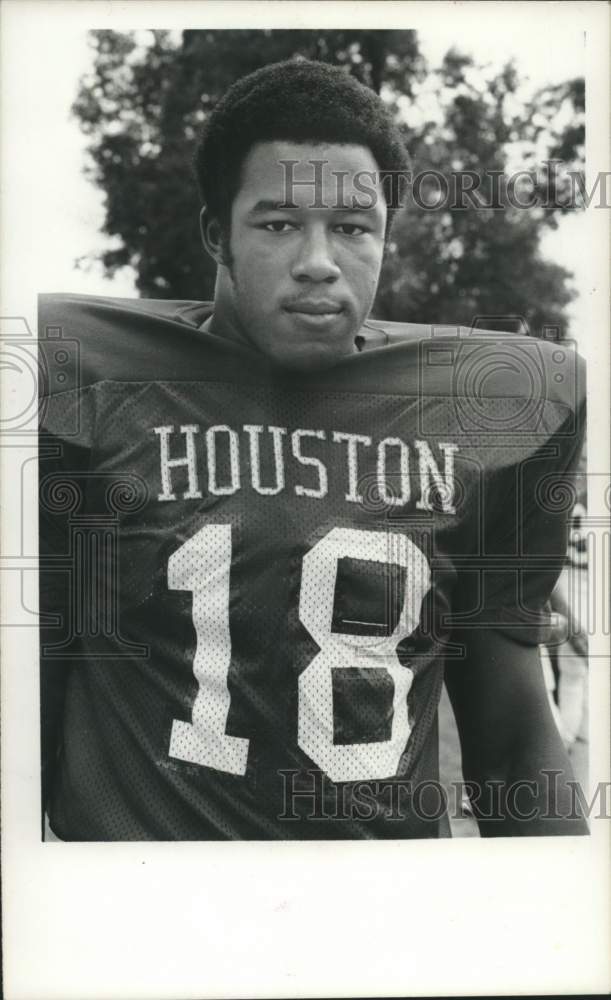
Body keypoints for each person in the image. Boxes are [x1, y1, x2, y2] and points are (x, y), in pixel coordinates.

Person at [39, 59, 587, 840]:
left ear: (386, 236)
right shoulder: (85, 381)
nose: (318, 261)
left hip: (378, 904)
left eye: (353, 228)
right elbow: (26, 719)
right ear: (216, 235)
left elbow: (509, 744)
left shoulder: (483, 412)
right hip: (148, 900)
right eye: (278, 224)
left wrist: (565, 907)